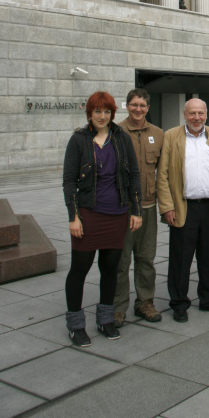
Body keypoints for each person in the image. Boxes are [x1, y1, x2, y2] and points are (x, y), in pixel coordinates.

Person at [63, 91, 142, 347]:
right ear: (90, 113)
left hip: (117, 213)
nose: (102, 116)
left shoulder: (121, 139)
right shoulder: (78, 140)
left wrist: (136, 210)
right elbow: (69, 181)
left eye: (107, 112)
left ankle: (105, 319)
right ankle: (76, 325)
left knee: (110, 270)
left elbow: (133, 177)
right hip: (88, 214)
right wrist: (73, 216)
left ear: (112, 114)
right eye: (97, 111)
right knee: (80, 269)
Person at [156, 99, 209, 323]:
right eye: (192, 113)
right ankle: (179, 303)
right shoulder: (171, 136)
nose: (196, 117)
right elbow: (162, 175)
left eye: (200, 113)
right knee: (180, 259)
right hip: (183, 207)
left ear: (207, 114)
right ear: (184, 114)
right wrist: (167, 206)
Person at [114, 89, 163, 328]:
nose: (138, 109)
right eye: (134, 105)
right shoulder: (116, 133)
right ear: (127, 106)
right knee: (121, 261)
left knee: (146, 259)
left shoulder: (158, 134)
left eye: (142, 105)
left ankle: (145, 302)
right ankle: (117, 306)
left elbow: (163, 173)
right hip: (122, 209)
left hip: (148, 206)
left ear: (148, 107)